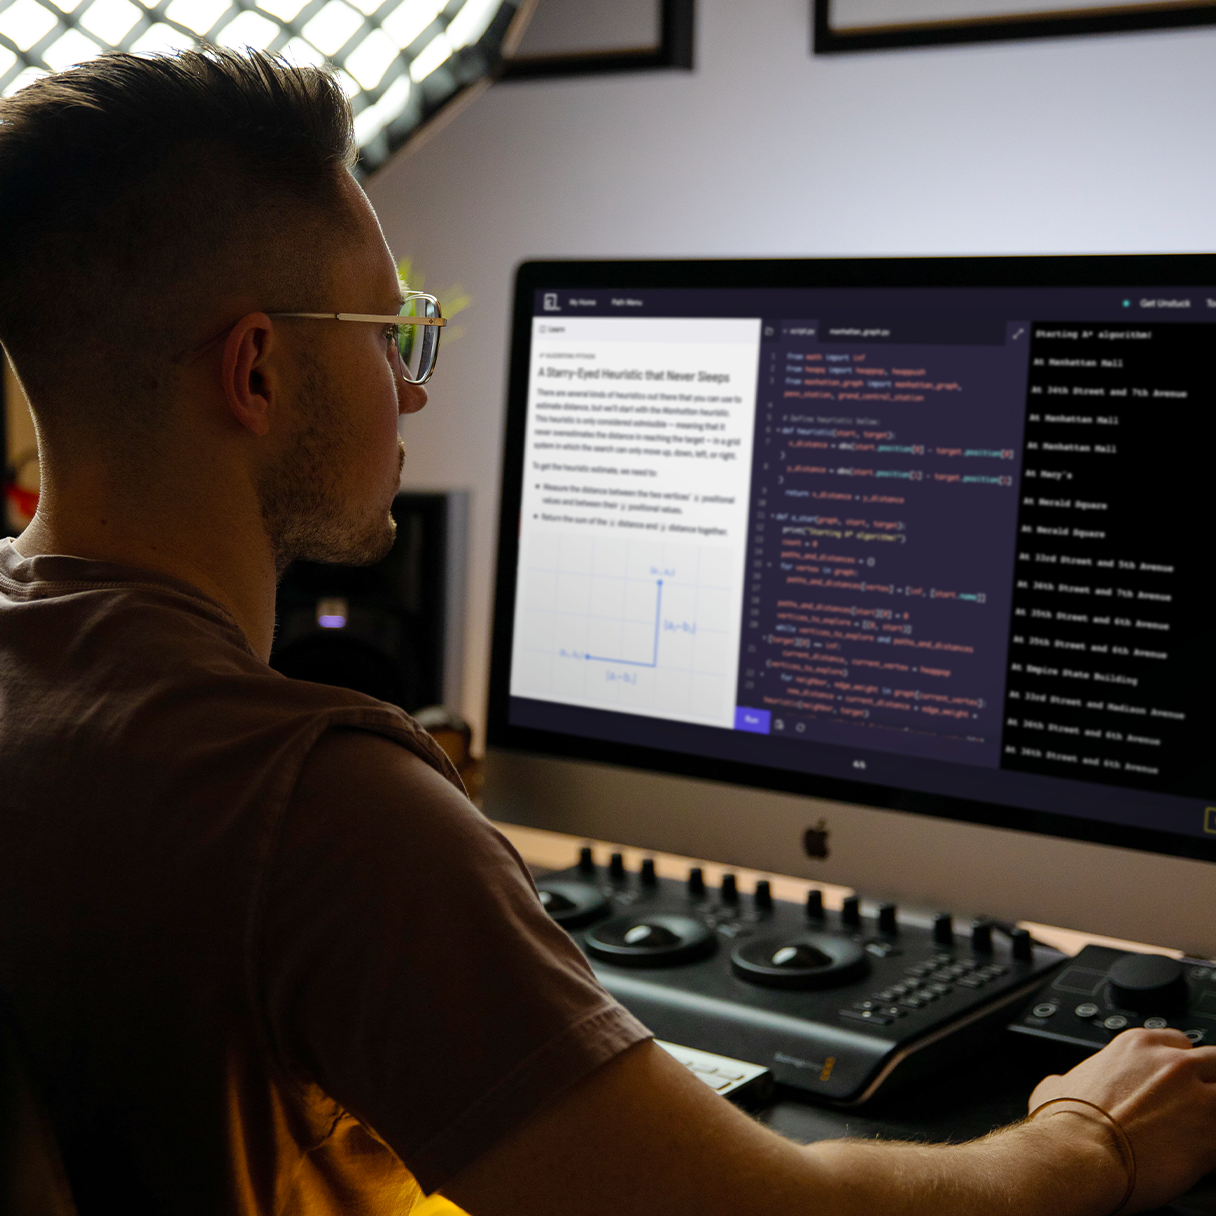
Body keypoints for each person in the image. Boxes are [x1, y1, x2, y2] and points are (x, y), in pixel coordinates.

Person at [0, 48, 1212, 1216]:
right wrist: (1091, 1138)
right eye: (386, 329)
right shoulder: (325, 810)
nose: (411, 385)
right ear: (256, 372)